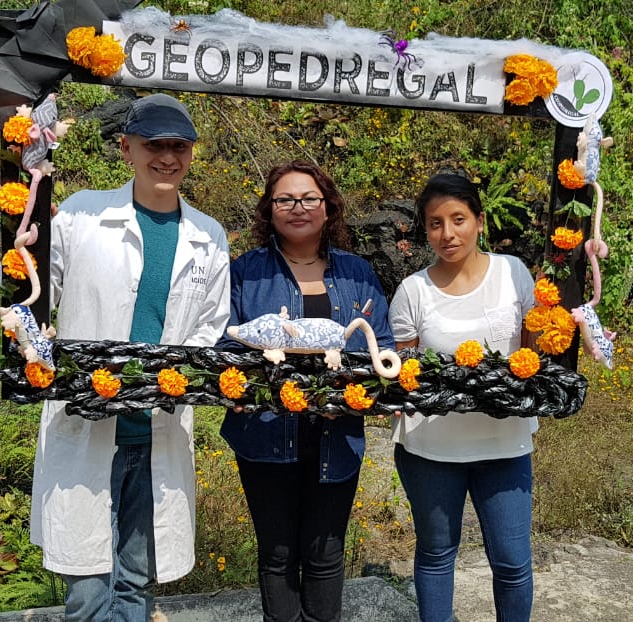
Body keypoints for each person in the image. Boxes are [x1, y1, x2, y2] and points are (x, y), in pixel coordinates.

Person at [29, 93, 232, 622]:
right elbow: (33, 295)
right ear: (126, 148)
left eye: (179, 146)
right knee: (89, 590)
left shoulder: (207, 236)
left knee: (138, 580)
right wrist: (24, 231)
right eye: (153, 145)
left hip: (155, 431)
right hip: (86, 425)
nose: (167, 157)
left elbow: (212, 327)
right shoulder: (82, 214)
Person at [218, 160, 395, 622]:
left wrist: (347, 398)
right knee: (277, 556)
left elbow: (385, 349)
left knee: (326, 555)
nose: (298, 207)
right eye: (285, 199)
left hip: (337, 440)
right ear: (269, 209)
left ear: (327, 206)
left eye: (309, 198)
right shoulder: (245, 272)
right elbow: (222, 347)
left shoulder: (358, 273)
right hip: (263, 436)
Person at [388, 173, 538, 622]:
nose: (447, 234)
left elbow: (535, 351)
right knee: (436, 555)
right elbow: (401, 376)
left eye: (458, 219)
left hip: (504, 444)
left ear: (480, 220)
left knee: (512, 562)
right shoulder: (413, 291)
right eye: (435, 223)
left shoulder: (513, 273)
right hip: (430, 448)